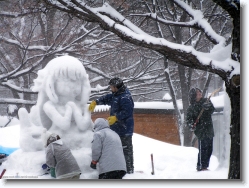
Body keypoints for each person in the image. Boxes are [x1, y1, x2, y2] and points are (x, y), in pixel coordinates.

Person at [89, 77, 134, 174]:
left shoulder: (125, 97)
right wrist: (96, 102)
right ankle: (120, 169)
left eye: (111, 87)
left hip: (125, 130)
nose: (110, 89)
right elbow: (107, 98)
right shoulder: (116, 95)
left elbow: (128, 111)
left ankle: (129, 171)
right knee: (117, 150)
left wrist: (116, 117)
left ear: (116, 87)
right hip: (116, 129)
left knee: (126, 150)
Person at [186, 88, 215, 171]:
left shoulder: (206, 101)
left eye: (200, 91)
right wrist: (193, 124)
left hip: (209, 129)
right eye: (197, 92)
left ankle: (205, 166)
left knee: (210, 149)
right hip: (201, 131)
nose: (200, 93)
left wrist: (208, 107)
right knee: (203, 149)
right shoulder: (191, 108)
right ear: (193, 96)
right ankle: (201, 166)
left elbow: (212, 110)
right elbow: (189, 120)